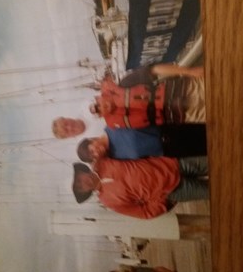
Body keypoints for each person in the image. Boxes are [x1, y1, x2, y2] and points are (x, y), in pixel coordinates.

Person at [72, 156, 209, 219]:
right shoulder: (108, 201)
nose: (84, 183)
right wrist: (162, 201)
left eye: (79, 179)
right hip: (174, 191)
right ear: (85, 193)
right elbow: (143, 212)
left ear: (82, 171)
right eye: (80, 187)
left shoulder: (103, 160)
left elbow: (131, 145)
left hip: (173, 164)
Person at [89, 64, 205, 128]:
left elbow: (154, 70)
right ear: (101, 116)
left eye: (97, 104)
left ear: (98, 97)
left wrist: (189, 71)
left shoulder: (124, 84)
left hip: (186, 89)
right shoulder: (121, 124)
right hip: (187, 115)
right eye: (98, 111)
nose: (102, 107)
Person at [77, 124, 207, 162]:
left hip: (170, 130)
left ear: (90, 140)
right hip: (170, 151)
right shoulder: (115, 158)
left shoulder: (112, 126)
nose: (96, 153)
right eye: (93, 157)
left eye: (91, 150)